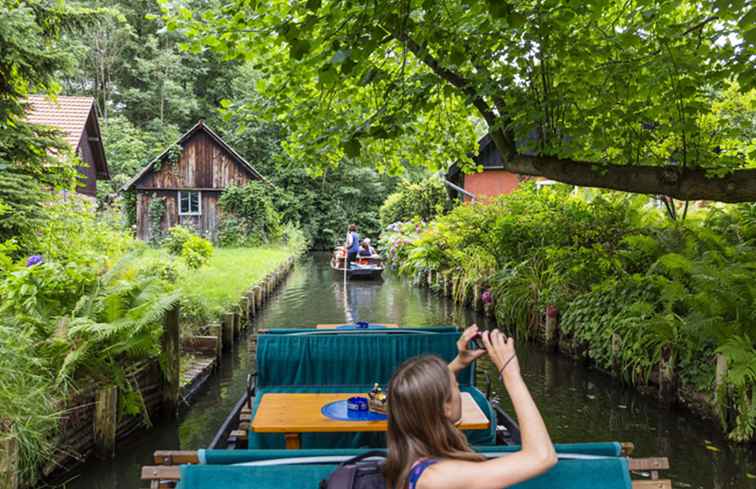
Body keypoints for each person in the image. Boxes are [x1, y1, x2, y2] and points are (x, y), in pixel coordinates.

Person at [384, 325, 557, 489]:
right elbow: (542, 456)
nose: (458, 387)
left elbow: (423, 395)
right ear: (444, 408)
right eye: (456, 386)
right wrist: (510, 373)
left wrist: (459, 362)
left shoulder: (410, 458)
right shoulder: (437, 478)